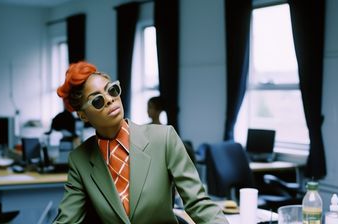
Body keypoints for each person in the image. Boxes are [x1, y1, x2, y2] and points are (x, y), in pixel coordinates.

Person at [52, 61, 228, 224]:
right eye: (97, 100)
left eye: (112, 90)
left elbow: (198, 203)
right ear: (83, 115)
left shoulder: (164, 138)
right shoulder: (79, 159)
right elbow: (67, 220)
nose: (109, 100)